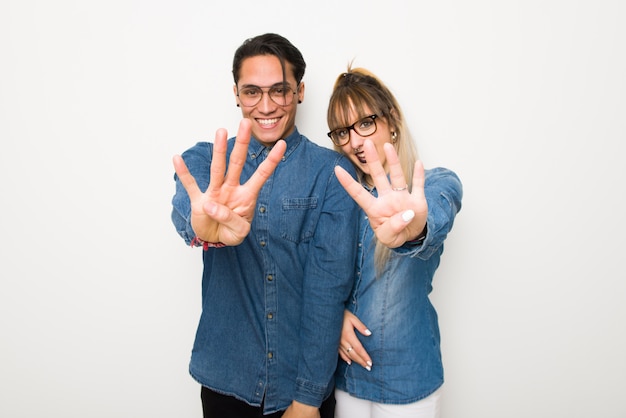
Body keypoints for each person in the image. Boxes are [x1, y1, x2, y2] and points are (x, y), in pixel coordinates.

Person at [171, 33, 359, 418]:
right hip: (226, 381)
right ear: (236, 94)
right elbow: (188, 210)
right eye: (252, 92)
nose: (267, 105)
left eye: (280, 91)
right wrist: (203, 228)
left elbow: (328, 293)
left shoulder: (333, 174)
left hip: (299, 388)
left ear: (300, 91)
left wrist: (307, 401)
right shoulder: (208, 161)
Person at [325, 66, 463, 418]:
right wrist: (334, 315)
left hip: (410, 379)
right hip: (347, 378)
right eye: (343, 131)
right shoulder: (341, 196)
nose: (355, 141)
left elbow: (429, 222)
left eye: (365, 123)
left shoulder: (435, 185)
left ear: (392, 120)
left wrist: (409, 226)